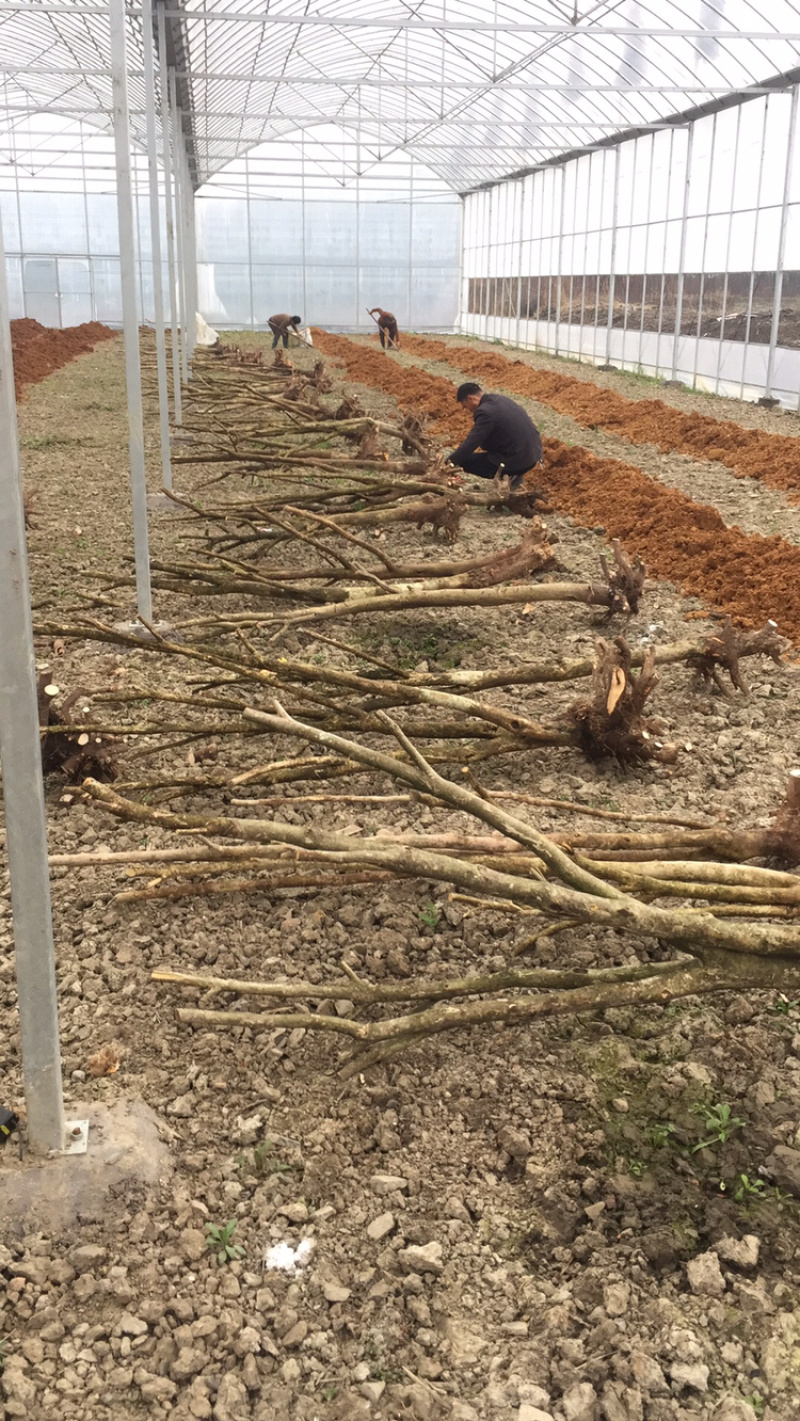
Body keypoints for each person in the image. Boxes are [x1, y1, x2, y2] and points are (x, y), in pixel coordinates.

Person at [447, 382, 543, 491]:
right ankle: (515, 476)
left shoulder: (485, 412)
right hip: (533, 455)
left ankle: (512, 475)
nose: (467, 410)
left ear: (470, 398)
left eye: (465, 406)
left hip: (516, 461)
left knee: (464, 461)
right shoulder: (500, 399)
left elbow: (471, 443)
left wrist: (449, 463)